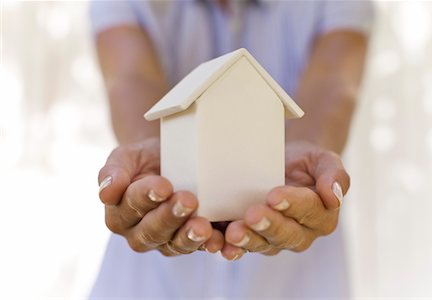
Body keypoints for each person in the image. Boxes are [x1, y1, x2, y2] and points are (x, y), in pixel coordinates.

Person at [90, 0, 374, 298]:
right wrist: (157, 154)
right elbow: (130, 77)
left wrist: (310, 149)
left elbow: (334, 82)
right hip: (149, 284)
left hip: (296, 279)